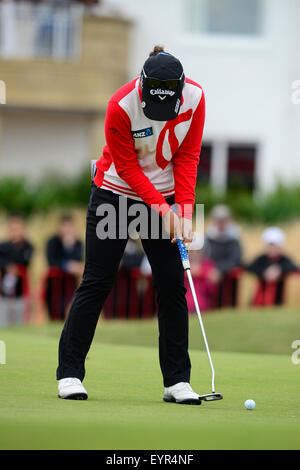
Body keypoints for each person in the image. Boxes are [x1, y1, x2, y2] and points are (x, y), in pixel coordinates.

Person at [56, 45, 206, 404]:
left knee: (172, 284)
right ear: (141, 85)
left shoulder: (195, 99)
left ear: (180, 89)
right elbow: (127, 168)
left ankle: (177, 381)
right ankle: (70, 374)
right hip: (116, 193)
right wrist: (163, 211)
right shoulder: (120, 106)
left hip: (167, 195)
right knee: (97, 280)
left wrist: (183, 210)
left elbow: (187, 156)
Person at [44, 215, 83, 321]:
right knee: (55, 315)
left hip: (70, 285)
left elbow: (78, 260)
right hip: (55, 285)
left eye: (70, 227)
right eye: (65, 226)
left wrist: (69, 246)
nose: (67, 230)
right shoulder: (52, 242)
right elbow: (52, 261)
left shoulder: (77, 243)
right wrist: (67, 265)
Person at [203, 205, 242, 307]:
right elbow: (205, 257)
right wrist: (209, 270)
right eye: (218, 220)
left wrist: (220, 270)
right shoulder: (208, 238)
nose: (221, 223)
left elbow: (235, 259)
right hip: (210, 273)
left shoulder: (234, 239)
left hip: (227, 275)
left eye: (223, 220)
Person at [247, 227, 298, 306]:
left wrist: (279, 270)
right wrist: (264, 273)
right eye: (270, 245)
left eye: (274, 246)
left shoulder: (284, 259)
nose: (272, 248)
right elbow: (250, 268)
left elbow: (293, 268)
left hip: (279, 300)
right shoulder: (261, 259)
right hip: (259, 301)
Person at [0, 212, 33, 326]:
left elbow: (25, 261)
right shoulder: (3, 246)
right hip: (4, 295)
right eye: (12, 228)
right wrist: (7, 266)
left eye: (18, 227)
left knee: (20, 323)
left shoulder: (28, 246)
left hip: (21, 294)